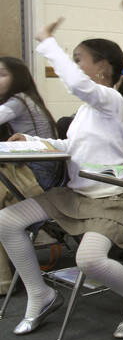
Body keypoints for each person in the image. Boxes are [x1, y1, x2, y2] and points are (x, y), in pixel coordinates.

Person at [0, 24, 123, 339]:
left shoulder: (110, 100)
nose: (76, 64)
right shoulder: (87, 110)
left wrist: (48, 43)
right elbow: (73, 148)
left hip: (110, 198)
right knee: (6, 221)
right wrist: (29, 141)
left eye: (80, 59)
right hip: (77, 194)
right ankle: (40, 295)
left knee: (90, 260)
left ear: (102, 68)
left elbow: (77, 83)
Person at [0, 56, 61, 295]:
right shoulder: (27, 99)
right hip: (37, 170)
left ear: (18, 78)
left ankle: (5, 278)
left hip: (38, 175)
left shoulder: (18, 101)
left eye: (3, 74)